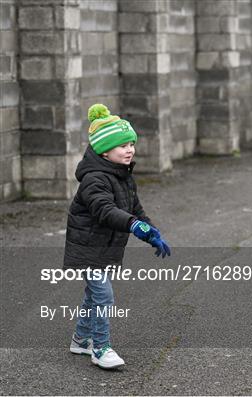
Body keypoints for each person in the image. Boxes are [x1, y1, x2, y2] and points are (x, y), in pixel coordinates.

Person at [63, 104, 171, 369]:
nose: (130, 149)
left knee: (92, 296)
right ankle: (100, 349)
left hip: (104, 248)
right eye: (123, 145)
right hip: (88, 248)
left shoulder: (123, 176)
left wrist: (150, 232)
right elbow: (105, 210)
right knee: (103, 296)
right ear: (104, 150)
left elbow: (134, 209)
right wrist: (134, 225)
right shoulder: (94, 179)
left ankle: (80, 340)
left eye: (132, 144)